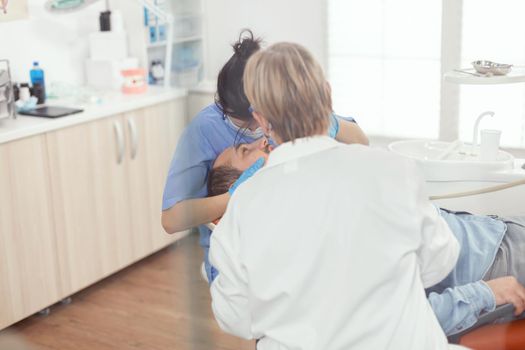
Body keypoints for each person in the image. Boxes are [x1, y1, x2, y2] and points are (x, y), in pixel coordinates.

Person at [209, 42, 463, 349]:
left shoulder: (243, 206)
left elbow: (235, 317)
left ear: (261, 120)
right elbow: (440, 261)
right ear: (328, 95)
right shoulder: (393, 169)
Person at [207, 138, 525, 336]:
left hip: (494, 234)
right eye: (246, 150)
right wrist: (484, 294)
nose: (262, 142)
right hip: (497, 264)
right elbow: (399, 322)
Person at [161, 29, 368, 282]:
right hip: (238, 249)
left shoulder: (283, 111)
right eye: (246, 126)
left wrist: (327, 121)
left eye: (264, 121)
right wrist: (235, 196)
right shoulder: (203, 131)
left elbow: (360, 142)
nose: (261, 134)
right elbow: (171, 219)